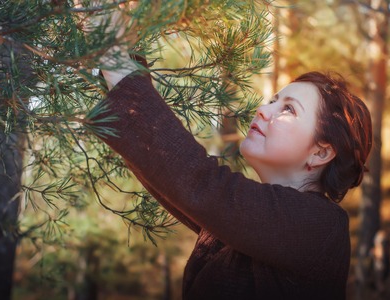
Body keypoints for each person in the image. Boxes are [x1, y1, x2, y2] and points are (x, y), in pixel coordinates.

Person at [89, 6, 373, 300]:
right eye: (273, 101)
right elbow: (167, 175)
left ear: (320, 152)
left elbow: (199, 184)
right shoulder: (247, 221)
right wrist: (122, 48)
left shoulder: (321, 227)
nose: (263, 110)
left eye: (288, 109)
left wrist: (114, 55)